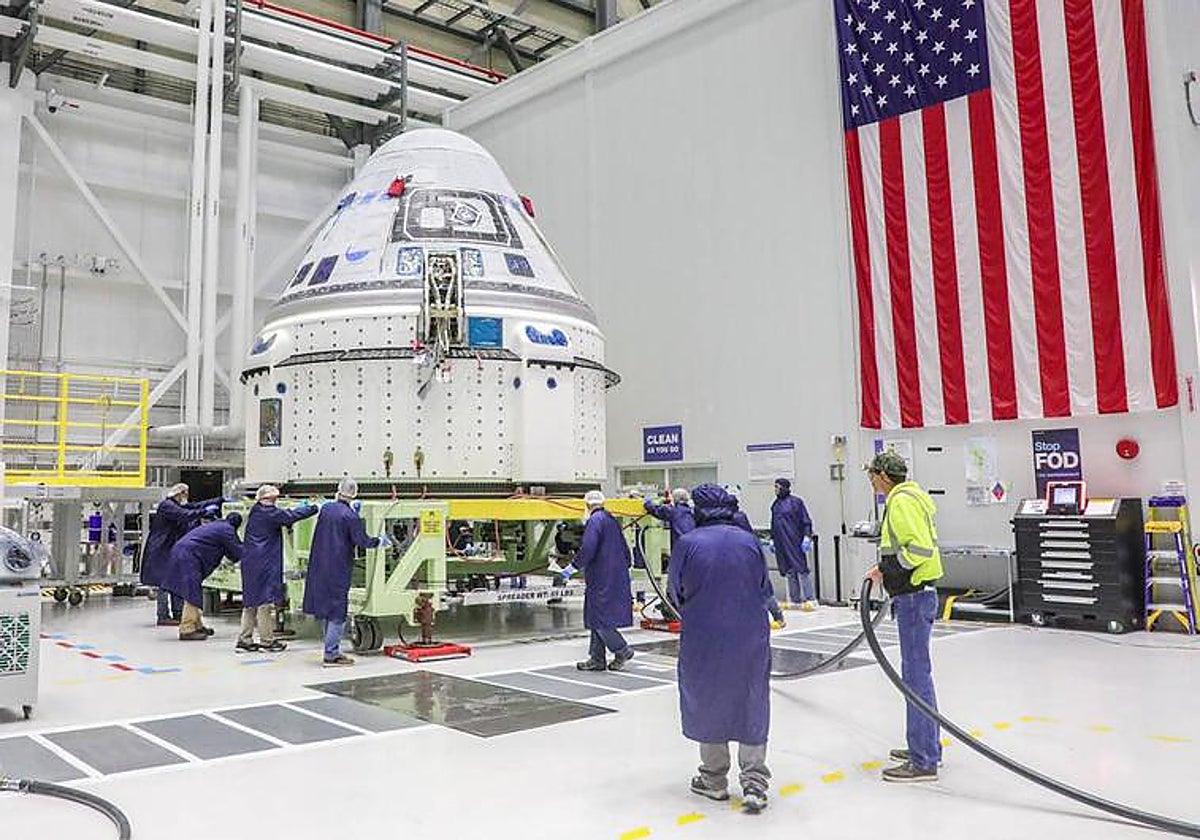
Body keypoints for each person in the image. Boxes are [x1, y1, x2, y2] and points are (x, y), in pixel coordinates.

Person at [669, 484, 775, 814]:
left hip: (704, 635)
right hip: (750, 635)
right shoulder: (748, 540)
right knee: (751, 697)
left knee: (708, 696)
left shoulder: (687, 543)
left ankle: (714, 779)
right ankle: (755, 782)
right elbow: (763, 586)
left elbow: (676, 592)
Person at [865, 451, 943, 783]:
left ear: (882, 476)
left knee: (915, 676)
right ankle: (926, 745)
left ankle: (923, 759)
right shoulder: (911, 496)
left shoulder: (900, 502)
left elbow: (919, 549)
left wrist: (886, 569)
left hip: (913, 595)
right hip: (917, 594)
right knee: (918, 674)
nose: (871, 481)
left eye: (872, 475)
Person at [303, 477, 390, 667]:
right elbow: (362, 541)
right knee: (337, 612)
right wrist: (379, 541)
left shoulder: (327, 509)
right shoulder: (350, 517)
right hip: (338, 568)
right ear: (354, 494)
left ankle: (330, 648)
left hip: (319, 565)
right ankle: (332, 654)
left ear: (338, 490)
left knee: (327, 609)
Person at [238, 485, 318, 654]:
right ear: (266, 499)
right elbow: (290, 516)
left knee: (250, 603)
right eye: (274, 500)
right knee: (264, 603)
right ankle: (267, 641)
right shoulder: (269, 513)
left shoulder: (257, 511)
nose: (276, 503)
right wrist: (314, 507)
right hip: (263, 563)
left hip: (251, 562)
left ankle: (244, 640)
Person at [564, 490, 635, 672]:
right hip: (614, 575)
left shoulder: (595, 521)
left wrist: (573, 566)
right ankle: (597, 659)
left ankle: (622, 650)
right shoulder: (611, 520)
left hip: (601, 577)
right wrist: (625, 567)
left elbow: (588, 547)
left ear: (587, 505)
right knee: (597, 618)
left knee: (601, 619)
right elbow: (625, 549)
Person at [141, 483, 224, 627]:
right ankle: (163, 615)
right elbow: (185, 515)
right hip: (161, 549)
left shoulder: (175, 504)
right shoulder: (167, 506)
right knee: (163, 583)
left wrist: (218, 500)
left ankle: (177, 613)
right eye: (185, 494)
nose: (187, 497)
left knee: (174, 579)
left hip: (169, 547)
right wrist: (204, 512)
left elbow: (193, 507)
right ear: (179, 493)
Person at [163, 512, 245, 641]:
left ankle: (197, 625)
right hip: (189, 557)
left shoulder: (217, 525)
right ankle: (187, 629)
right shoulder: (227, 530)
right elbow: (237, 551)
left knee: (193, 592)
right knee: (192, 593)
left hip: (183, 553)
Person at [770, 478, 816, 611]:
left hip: (795, 541)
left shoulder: (796, 502)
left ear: (785, 487)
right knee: (789, 571)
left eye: (777, 487)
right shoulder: (775, 505)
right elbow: (773, 524)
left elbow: (806, 521)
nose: (776, 490)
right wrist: (773, 539)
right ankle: (795, 599)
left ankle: (810, 598)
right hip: (781, 543)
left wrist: (807, 537)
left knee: (801, 569)